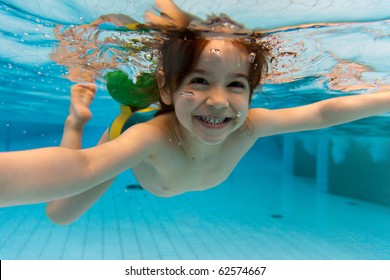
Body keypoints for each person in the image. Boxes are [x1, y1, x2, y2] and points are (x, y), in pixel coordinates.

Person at [1, 0, 390, 225]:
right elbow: (82, 169)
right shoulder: (149, 136)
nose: (219, 101)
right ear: (168, 90)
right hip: (131, 127)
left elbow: (321, 114)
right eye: (199, 81)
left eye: (236, 85)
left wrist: (384, 99)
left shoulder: (250, 126)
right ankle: (76, 121)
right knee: (60, 214)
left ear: (253, 93)